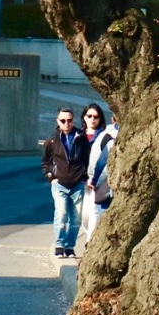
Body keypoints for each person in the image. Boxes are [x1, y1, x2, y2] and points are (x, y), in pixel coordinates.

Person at [40, 107, 89, 258]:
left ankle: (69, 247)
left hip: (77, 183)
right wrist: (51, 177)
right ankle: (59, 245)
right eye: (63, 121)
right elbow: (45, 161)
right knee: (61, 214)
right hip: (59, 183)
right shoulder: (52, 140)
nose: (66, 123)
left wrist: (84, 176)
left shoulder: (80, 137)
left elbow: (87, 158)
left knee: (75, 218)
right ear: (58, 122)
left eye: (69, 120)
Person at [81, 103, 115, 244]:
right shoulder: (79, 135)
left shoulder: (104, 136)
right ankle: (89, 234)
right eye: (89, 116)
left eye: (96, 117)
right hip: (81, 177)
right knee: (84, 215)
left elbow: (102, 160)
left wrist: (96, 180)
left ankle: (90, 239)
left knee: (94, 210)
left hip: (95, 179)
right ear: (84, 117)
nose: (92, 119)